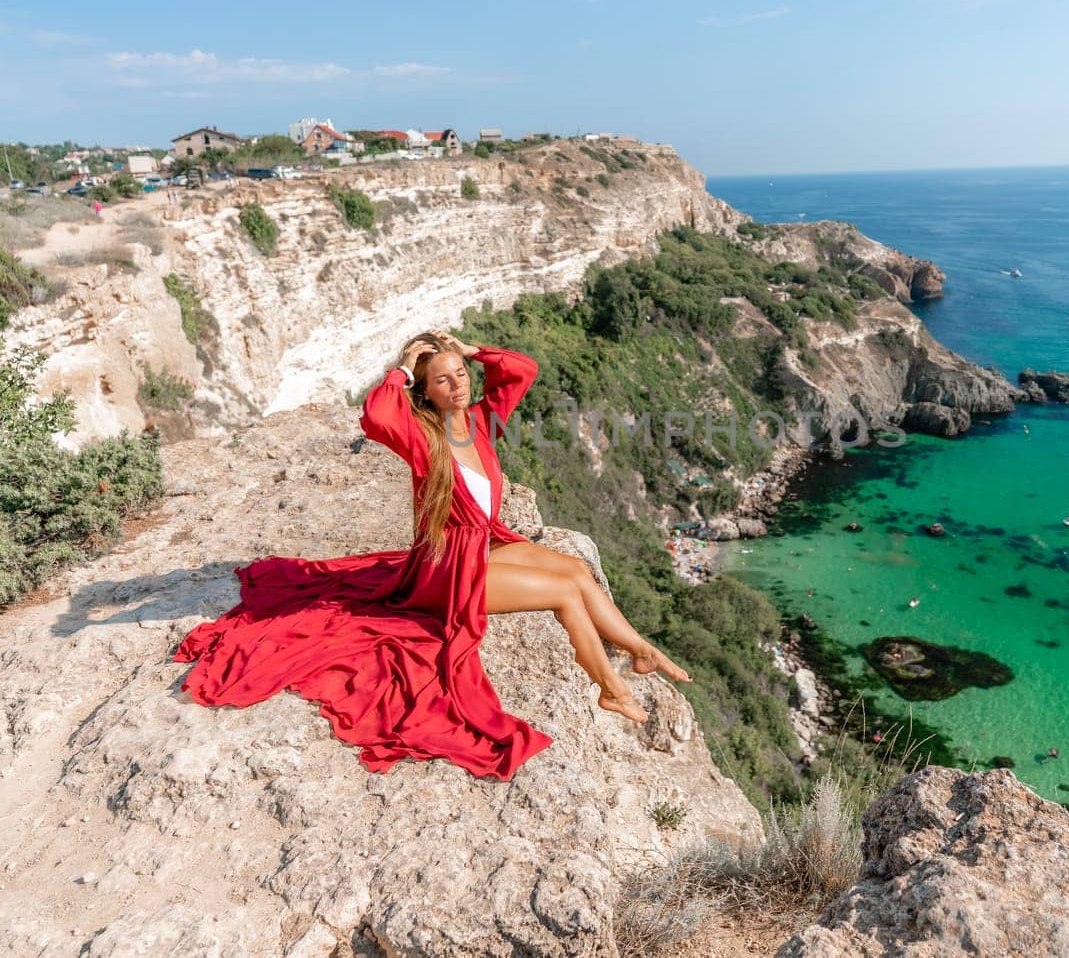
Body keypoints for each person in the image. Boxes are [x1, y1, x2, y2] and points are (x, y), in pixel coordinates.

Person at [172, 329, 689, 781]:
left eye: (461, 373)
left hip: (482, 544)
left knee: (574, 569)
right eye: (442, 379)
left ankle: (640, 649)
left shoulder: (482, 421)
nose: (458, 384)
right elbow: (375, 416)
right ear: (426, 390)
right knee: (562, 594)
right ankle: (611, 686)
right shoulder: (422, 436)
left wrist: (473, 349)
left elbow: (523, 370)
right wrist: (399, 370)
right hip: (447, 568)